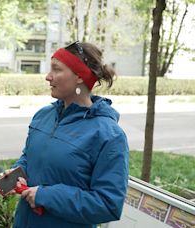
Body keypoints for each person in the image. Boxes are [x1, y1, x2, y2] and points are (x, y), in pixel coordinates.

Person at [9, 41, 129, 228]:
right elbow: (28, 158)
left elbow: (109, 205)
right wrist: (17, 173)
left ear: (79, 76)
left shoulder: (109, 136)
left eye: (56, 69)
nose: (48, 77)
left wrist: (46, 196)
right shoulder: (43, 116)